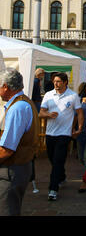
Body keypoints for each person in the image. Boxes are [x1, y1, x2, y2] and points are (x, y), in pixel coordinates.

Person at [0, 68, 39, 215]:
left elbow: (7, 149)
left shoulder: (17, 107)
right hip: (19, 167)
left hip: (12, 169)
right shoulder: (22, 103)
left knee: (6, 210)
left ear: (6, 87)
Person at [39, 72, 84, 201]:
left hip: (64, 134)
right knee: (52, 159)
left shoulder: (73, 96)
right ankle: (62, 176)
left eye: (58, 81)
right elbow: (40, 113)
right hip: (50, 133)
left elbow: (79, 113)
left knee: (58, 160)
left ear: (65, 83)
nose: (56, 84)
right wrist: (48, 115)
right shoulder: (48, 95)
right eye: (54, 81)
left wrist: (79, 127)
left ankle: (53, 189)